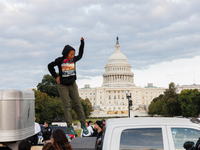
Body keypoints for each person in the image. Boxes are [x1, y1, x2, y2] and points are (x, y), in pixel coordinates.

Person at [48, 37, 88, 136]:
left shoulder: (74, 59)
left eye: (73, 54)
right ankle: (69, 126)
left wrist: (82, 42)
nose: (73, 56)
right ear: (66, 54)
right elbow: (49, 66)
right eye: (71, 54)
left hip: (72, 84)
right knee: (67, 106)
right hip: (63, 86)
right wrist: (55, 76)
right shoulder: (60, 60)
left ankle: (83, 124)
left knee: (78, 104)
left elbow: (81, 54)